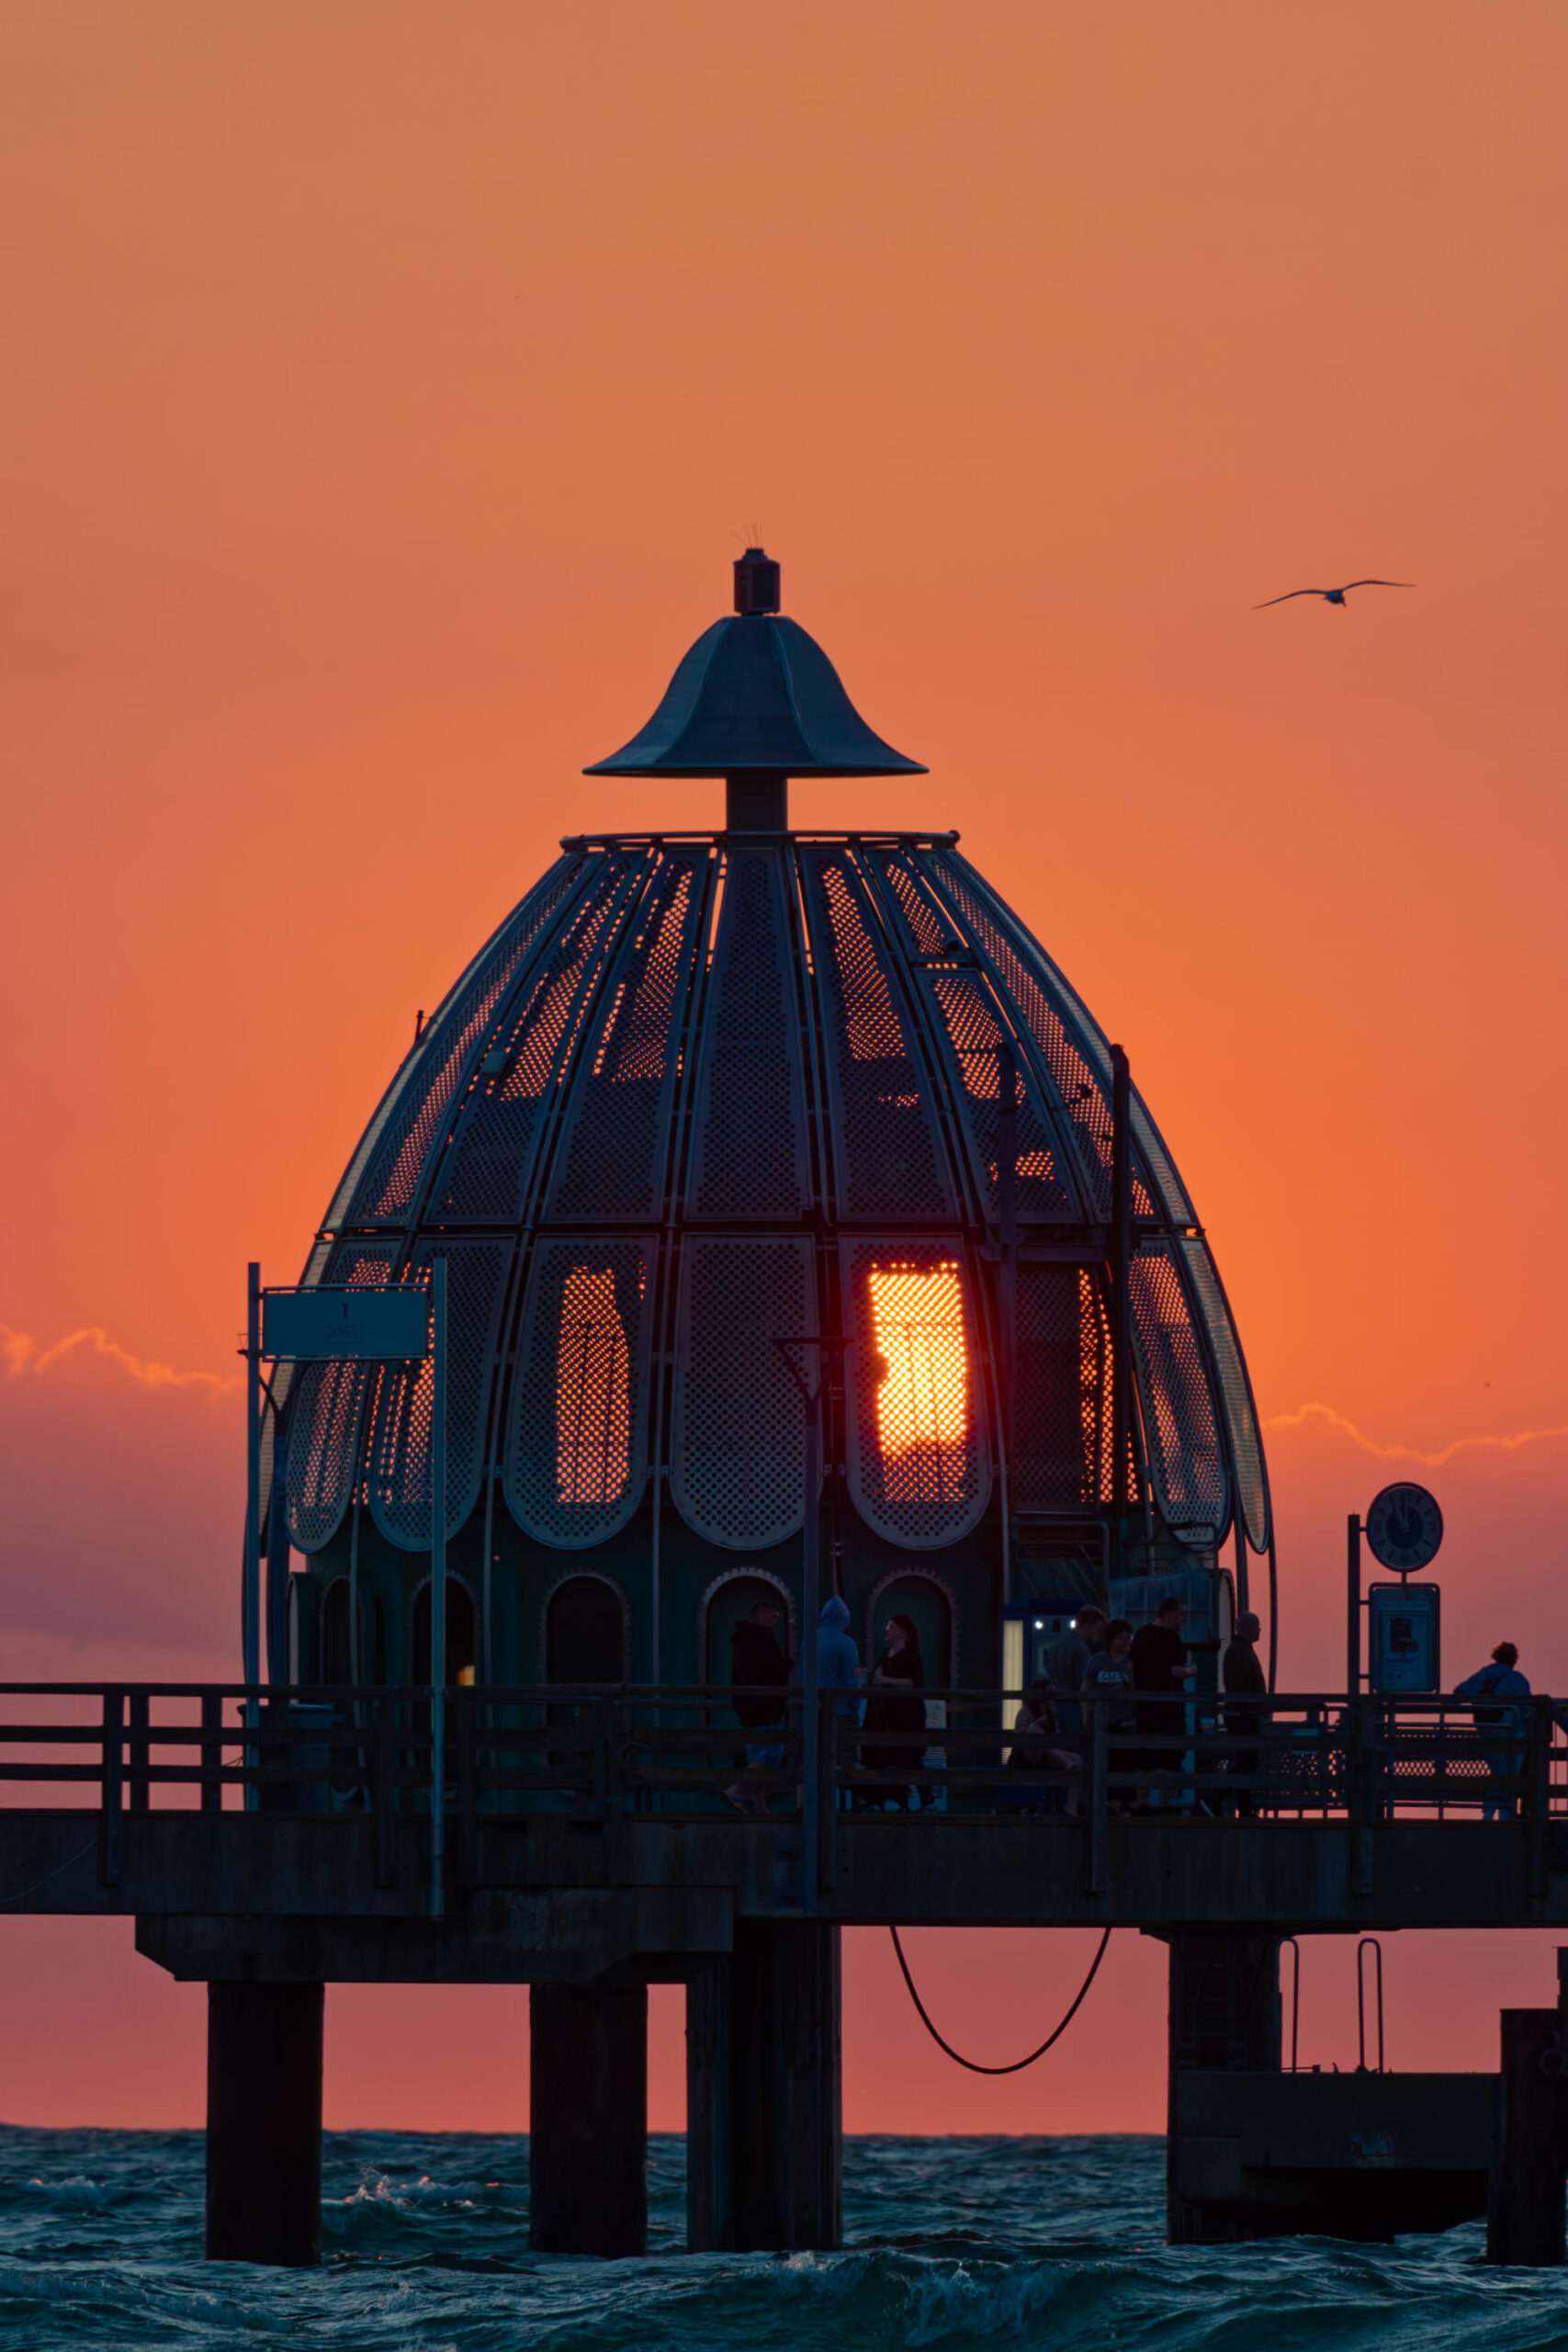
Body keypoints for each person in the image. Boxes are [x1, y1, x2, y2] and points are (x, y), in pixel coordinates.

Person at [724, 1598, 790, 1815]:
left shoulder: (741, 1640)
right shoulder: (764, 1639)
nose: (777, 1621)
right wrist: (787, 1666)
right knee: (773, 1751)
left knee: (756, 1755)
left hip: (747, 1707)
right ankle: (737, 1789)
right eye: (773, 1616)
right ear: (761, 1616)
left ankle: (760, 1805)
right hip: (766, 1708)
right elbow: (771, 1673)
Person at [1455, 1642, 1531, 1821]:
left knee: (1498, 1773)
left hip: (1486, 1733)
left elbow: (1459, 1692)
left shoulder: (1484, 1674)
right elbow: (1528, 1709)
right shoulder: (1517, 1679)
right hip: (1512, 1735)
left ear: (1495, 1656)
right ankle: (1505, 1816)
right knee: (1508, 1776)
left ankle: (1489, 1814)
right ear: (1514, 1659)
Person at [1131, 1595, 1195, 1806]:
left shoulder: (1142, 1634)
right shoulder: (1172, 1639)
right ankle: (1164, 1805)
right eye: (1181, 1613)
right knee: (1170, 1758)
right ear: (1169, 1613)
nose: (1183, 1618)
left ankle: (1142, 1803)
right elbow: (1176, 1671)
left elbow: (1131, 1667)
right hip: (1169, 1708)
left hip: (1144, 1707)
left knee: (1144, 1759)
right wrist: (1191, 1670)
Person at [862, 1612, 927, 1811]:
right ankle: (887, 1799)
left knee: (909, 1758)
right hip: (884, 1715)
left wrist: (885, 1681)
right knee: (882, 1756)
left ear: (903, 1632)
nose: (887, 1630)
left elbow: (913, 1682)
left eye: (892, 1627)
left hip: (906, 1715)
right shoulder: (886, 1653)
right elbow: (878, 1675)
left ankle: (924, 1798)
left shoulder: (911, 1655)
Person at [1005, 1678, 1084, 1816]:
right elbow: (1017, 1737)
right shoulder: (1025, 1711)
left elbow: (1056, 1737)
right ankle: (1065, 1762)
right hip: (1026, 1755)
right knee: (1035, 1731)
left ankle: (1071, 1806)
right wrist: (1035, 1725)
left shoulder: (1052, 1711)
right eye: (1048, 1691)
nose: (1051, 1695)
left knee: (1078, 1760)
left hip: (1048, 1754)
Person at [1082, 1618, 1136, 1811]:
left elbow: (1138, 1691)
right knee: (1102, 1762)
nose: (1125, 1642)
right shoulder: (1096, 1661)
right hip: (1101, 1721)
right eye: (1121, 1638)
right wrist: (1086, 1717)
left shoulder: (1133, 1663)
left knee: (1125, 1763)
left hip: (1125, 1722)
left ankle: (1124, 1804)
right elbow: (1086, 1689)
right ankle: (1105, 1803)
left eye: (1129, 1638)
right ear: (1111, 1639)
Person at [816, 1594, 863, 1805]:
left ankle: (808, 1804)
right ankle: (850, 1806)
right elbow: (851, 1681)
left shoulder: (809, 1641)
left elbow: (800, 1677)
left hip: (814, 1711)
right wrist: (855, 1706)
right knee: (847, 1759)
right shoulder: (847, 1644)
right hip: (842, 1712)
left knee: (815, 1757)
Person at [1222, 1610, 1267, 1816]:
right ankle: (1222, 1794)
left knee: (1246, 1760)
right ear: (1247, 1628)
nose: (1259, 1630)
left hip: (1243, 1713)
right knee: (1248, 1760)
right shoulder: (1240, 1652)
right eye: (1257, 1626)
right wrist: (1254, 1705)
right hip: (1242, 1715)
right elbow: (1239, 1685)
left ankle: (1243, 1805)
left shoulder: (1240, 1649)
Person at [1046, 1605, 1106, 1739]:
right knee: (1080, 1746)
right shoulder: (1080, 1648)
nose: (1098, 1634)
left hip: (1059, 1705)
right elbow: (1083, 1682)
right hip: (1076, 1706)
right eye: (1098, 1629)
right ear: (1089, 1624)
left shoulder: (1056, 1645)